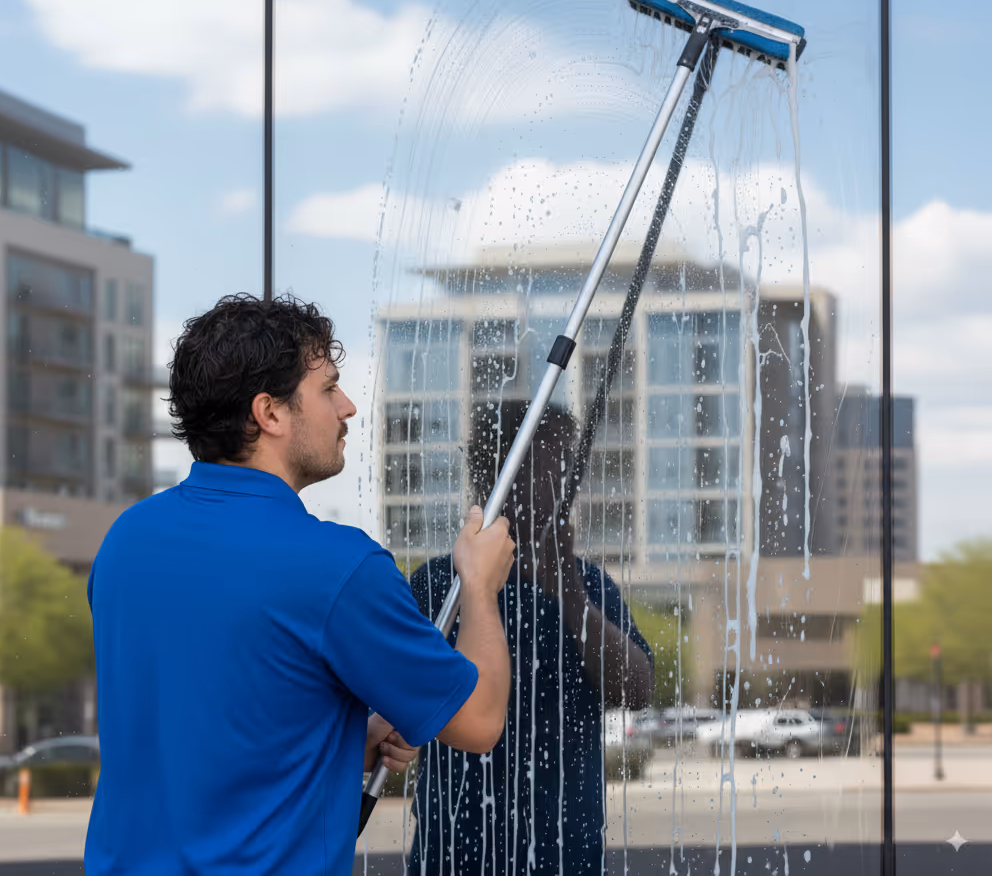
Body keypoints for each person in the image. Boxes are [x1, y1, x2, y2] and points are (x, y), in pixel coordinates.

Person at [85, 294, 516, 875]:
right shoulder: (338, 567)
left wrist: (342, 741)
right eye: (329, 389)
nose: (349, 407)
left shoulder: (127, 541)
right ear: (270, 413)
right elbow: (480, 721)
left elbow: (205, 722)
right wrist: (481, 584)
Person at [408, 400, 654, 875]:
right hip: (455, 846)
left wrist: (567, 588)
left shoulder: (589, 585)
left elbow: (638, 690)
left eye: (564, 469)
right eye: (537, 469)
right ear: (492, 477)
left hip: (565, 845)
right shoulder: (440, 585)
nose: (557, 487)